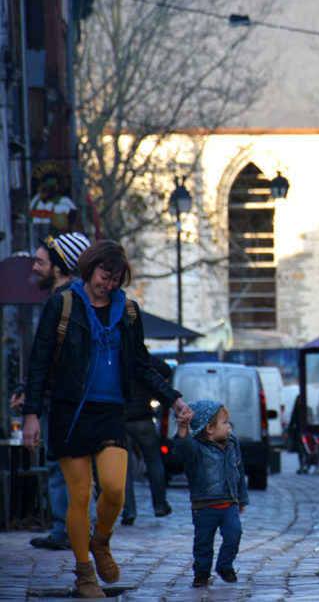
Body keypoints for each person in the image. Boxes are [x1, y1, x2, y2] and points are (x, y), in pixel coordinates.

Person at [21, 240, 193, 598]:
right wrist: (32, 415)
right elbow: (38, 362)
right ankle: (85, 574)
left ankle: (102, 541)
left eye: (116, 279)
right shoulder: (62, 304)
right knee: (80, 496)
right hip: (70, 413)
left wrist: (174, 400)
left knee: (115, 489)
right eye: (104, 276)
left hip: (112, 411)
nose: (108, 284)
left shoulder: (128, 311)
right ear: (90, 268)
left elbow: (142, 365)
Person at [10, 232, 91, 551]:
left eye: (41, 263)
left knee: (65, 464)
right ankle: (71, 527)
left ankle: (67, 529)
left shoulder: (68, 301)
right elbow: (45, 355)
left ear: (60, 268)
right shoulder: (61, 299)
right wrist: (27, 388)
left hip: (66, 399)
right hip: (57, 396)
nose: (35, 269)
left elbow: (56, 358)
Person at [174, 400, 248, 588]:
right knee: (203, 542)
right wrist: (183, 428)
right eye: (225, 423)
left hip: (229, 502)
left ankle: (225, 565)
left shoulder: (231, 444)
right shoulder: (197, 449)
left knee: (234, 533)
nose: (229, 426)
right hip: (204, 505)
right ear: (209, 428)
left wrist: (242, 498)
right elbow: (183, 448)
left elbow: (238, 471)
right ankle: (202, 572)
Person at [121, 354, 173, 525]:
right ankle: (159, 505)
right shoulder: (142, 358)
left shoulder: (114, 355)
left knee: (124, 468)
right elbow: (166, 369)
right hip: (143, 417)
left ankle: (128, 512)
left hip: (120, 418)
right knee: (153, 460)